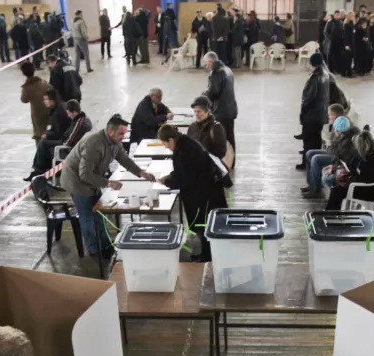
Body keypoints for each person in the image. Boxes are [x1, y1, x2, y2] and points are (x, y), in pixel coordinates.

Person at [60, 115, 155, 257]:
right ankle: (94, 249)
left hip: (92, 178)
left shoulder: (114, 142)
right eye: (121, 133)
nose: (123, 137)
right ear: (110, 131)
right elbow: (84, 174)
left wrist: (141, 172)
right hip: (77, 182)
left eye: (125, 133)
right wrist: (108, 183)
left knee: (99, 213)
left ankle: (104, 244)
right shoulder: (93, 144)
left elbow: (124, 158)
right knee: (88, 216)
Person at [156, 125, 229, 262]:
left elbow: (184, 178)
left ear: (171, 140)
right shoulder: (186, 143)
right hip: (206, 189)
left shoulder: (182, 151)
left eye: (165, 143)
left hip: (203, 193)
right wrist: (170, 176)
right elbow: (184, 170)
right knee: (206, 224)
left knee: (204, 224)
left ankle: (208, 256)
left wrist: (166, 182)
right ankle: (207, 253)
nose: (166, 147)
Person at [325, 126, 374, 210]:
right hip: (367, 186)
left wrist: (349, 180)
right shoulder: (373, 153)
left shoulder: (371, 159)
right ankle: (332, 212)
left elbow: (363, 175)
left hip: (367, 190)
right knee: (338, 187)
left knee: (337, 190)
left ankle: (331, 212)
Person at [27, 99, 90, 179]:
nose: (68, 115)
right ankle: (39, 171)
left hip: (67, 149)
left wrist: (60, 141)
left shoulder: (79, 123)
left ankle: (39, 171)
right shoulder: (79, 119)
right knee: (43, 143)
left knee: (43, 146)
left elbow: (69, 142)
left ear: (74, 112)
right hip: (66, 143)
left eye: (68, 113)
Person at [297, 53, 331, 170]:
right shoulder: (326, 74)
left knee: (309, 141)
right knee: (316, 140)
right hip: (320, 115)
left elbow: (309, 98)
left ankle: (307, 164)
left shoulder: (316, 76)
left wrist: (304, 112)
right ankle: (312, 164)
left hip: (312, 115)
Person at [203, 51, 238, 150]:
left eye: (206, 63)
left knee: (221, 138)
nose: (206, 65)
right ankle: (232, 160)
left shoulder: (216, 73)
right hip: (231, 109)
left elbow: (214, 92)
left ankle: (223, 162)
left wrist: (205, 94)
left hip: (220, 111)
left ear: (210, 61)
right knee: (230, 137)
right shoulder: (228, 70)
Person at [187, 96, 229, 163]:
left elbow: (221, 151)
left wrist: (205, 158)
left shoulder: (216, 127)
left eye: (199, 111)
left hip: (209, 167)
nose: (196, 114)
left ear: (207, 112)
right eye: (195, 111)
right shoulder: (192, 127)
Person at [19, 61, 51, 145]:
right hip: (48, 109)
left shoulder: (26, 88)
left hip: (37, 113)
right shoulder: (43, 82)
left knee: (39, 133)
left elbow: (23, 100)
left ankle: (41, 151)